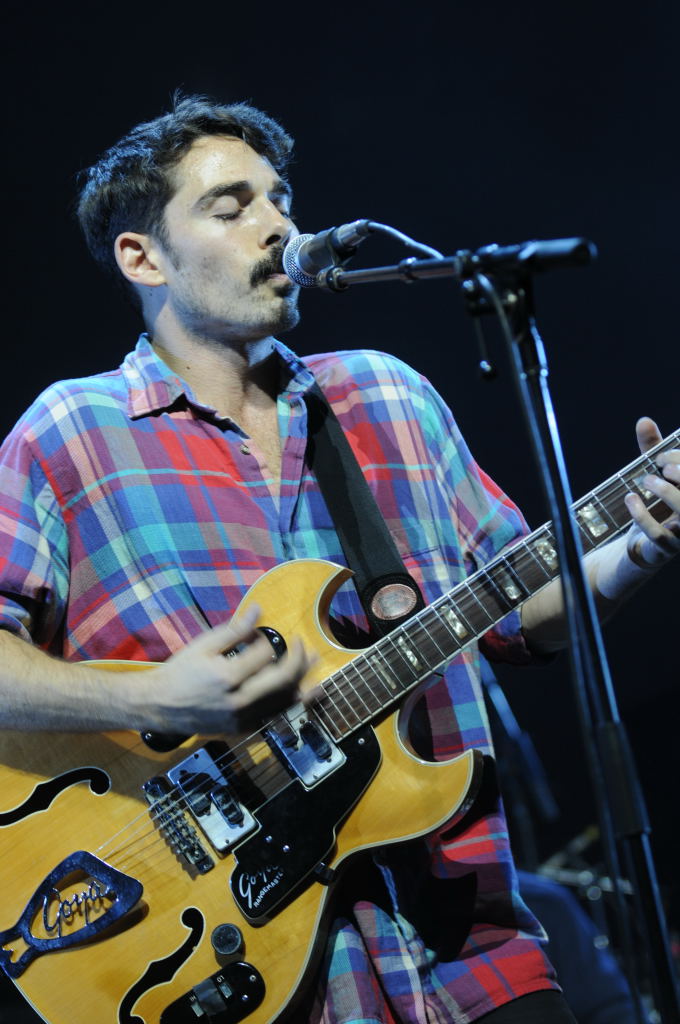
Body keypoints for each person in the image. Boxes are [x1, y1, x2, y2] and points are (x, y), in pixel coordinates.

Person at [0, 94, 677, 1024]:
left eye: (280, 199)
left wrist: (636, 549)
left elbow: (519, 612)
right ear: (142, 258)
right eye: (231, 207)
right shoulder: (68, 433)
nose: (277, 225)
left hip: (469, 953)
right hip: (234, 971)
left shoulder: (387, 397)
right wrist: (154, 699)